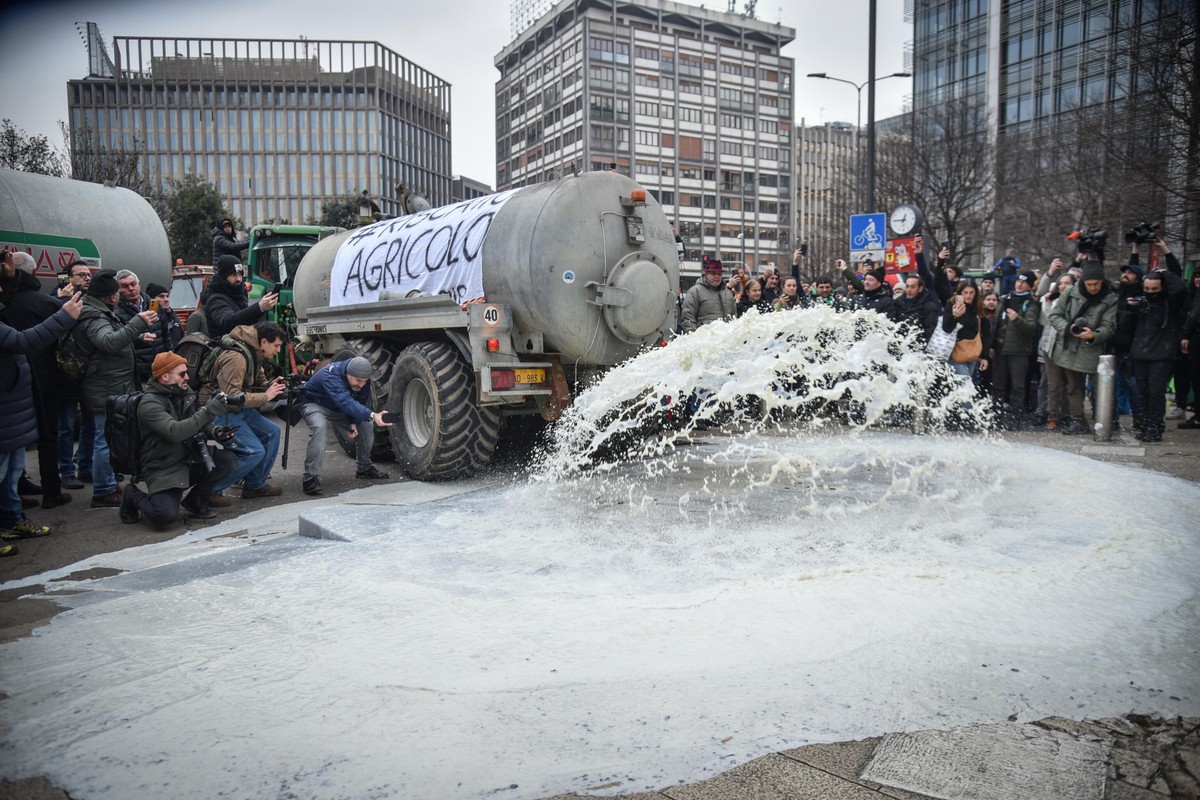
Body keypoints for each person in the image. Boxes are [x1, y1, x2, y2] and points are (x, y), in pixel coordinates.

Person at [0, 291, 83, 547]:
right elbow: (24, 341)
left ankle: (11, 520)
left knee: (12, 471)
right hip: (6, 413)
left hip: (13, 413)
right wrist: (64, 317)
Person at [120, 352, 237, 527]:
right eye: (182, 374)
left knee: (227, 460)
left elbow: (197, 422)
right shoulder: (149, 404)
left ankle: (195, 501)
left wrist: (216, 431)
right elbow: (175, 431)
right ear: (165, 376)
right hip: (163, 465)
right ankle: (131, 494)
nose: (187, 377)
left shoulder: (184, 392)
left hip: (187, 458)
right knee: (163, 516)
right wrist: (208, 411)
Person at [76, 269, 157, 507]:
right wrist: (138, 323)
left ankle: (97, 477)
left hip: (104, 384)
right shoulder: (95, 317)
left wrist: (136, 337)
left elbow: (108, 340)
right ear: (112, 297)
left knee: (96, 435)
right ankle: (103, 490)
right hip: (105, 386)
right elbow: (108, 342)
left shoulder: (96, 312)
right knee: (106, 439)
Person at [0, 252, 72, 509]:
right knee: (47, 436)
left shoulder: (7, 304)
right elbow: (26, 340)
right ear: (34, 272)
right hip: (43, 379)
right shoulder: (47, 304)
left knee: (13, 445)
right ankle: (51, 491)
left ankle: (15, 496)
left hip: (11, 385)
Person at [198, 321, 287, 504]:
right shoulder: (237, 358)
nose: (278, 350)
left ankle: (255, 486)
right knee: (253, 451)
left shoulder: (253, 351)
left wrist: (271, 386)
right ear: (264, 341)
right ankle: (210, 490)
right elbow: (230, 396)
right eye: (276, 346)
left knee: (273, 432)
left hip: (237, 408)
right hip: (219, 410)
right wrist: (266, 396)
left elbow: (257, 381)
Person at [300, 356, 392, 495]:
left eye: (364, 381)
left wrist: (353, 422)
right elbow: (345, 401)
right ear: (347, 374)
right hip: (315, 404)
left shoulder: (362, 379)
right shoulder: (330, 375)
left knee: (366, 425)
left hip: (337, 408)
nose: (361, 385)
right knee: (320, 427)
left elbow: (359, 401)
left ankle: (364, 468)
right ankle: (310, 478)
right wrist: (373, 415)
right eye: (358, 381)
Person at [1049, 261, 1118, 435]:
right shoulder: (1071, 292)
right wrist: (1067, 327)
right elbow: (1054, 315)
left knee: (1100, 388)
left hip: (1094, 349)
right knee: (1073, 387)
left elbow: (1109, 326)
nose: (1093, 288)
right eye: (1089, 284)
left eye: (1096, 284)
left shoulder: (1110, 298)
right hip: (1070, 346)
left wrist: (1094, 335)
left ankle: (1105, 419)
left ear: (1102, 282)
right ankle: (1077, 420)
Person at [1127, 269, 1186, 442]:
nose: (1151, 292)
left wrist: (1166, 273)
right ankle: (1147, 424)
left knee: (1155, 392)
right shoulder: (1140, 303)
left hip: (1162, 354)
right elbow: (1125, 325)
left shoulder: (1169, 303)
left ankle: (1154, 426)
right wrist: (1130, 309)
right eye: (1147, 288)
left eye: (1155, 289)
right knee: (1142, 392)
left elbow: (1179, 290)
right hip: (1140, 353)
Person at [989, 270, 1041, 426]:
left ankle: (1015, 417)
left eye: (1024, 282)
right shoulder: (1004, 299)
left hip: (1019, 352)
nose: (1019, 284)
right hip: (1000, 349)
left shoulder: (1031, 303)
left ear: (1030, 286)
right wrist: (991, 345)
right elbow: (996, 324)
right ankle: (996, 415)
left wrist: (1017, 319)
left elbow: (1031, 329)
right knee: (997, 385)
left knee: (1018, 386)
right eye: (1018, 280)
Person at [201, 255, 279, 340]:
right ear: (223, 276)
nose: (238, 279)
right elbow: (228, 322)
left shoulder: (238, 294)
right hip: (227, 349)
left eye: (240, 274)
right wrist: (259, 307)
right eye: (233, 275)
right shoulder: (216, 298)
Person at [1037, 270, 1075, 430]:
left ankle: (1071, 415)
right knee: (1052, 385)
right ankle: (1052, 416)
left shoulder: (1077, 301)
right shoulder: (1052, 300)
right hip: (1050, 346)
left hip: (1070, 346)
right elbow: (1045, 320)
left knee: (1071, 384)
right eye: (1061, 283)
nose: (1063, 286)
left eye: (1067, 283)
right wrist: (1046, 302)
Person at [113, 269, 159, 384]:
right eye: (124, 286)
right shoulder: (116, 312)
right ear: (118, 290)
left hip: (158, 368)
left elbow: (166, 336)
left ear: (139, 284)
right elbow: (116, 341)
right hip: (136, 371)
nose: (131, 289)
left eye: (133, 284)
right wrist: (139, 338)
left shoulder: (154, 305)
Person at [680, 259, 735, 333]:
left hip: (725, 338)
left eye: (719, 274)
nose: (717, 276)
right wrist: (692, 337)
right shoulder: (695, 291)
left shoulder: (728, 293)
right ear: (706, 274)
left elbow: (734, 317)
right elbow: (688, 318)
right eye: (713, 273)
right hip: (703, 338)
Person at [890, 273, 941, 343]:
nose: (909, 290)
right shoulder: (898, 302)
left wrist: (921, 345)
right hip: (899, 343)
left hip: (917, 345)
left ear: (920, 289)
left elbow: (930, 329)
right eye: (907, 286)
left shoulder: (929, 306)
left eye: (913, 287)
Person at [145, 282, 184, 353]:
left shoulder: (173, 316)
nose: (166, 299)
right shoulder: (148, 318)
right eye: (161, 296)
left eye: (167, 296)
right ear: (152, 300)